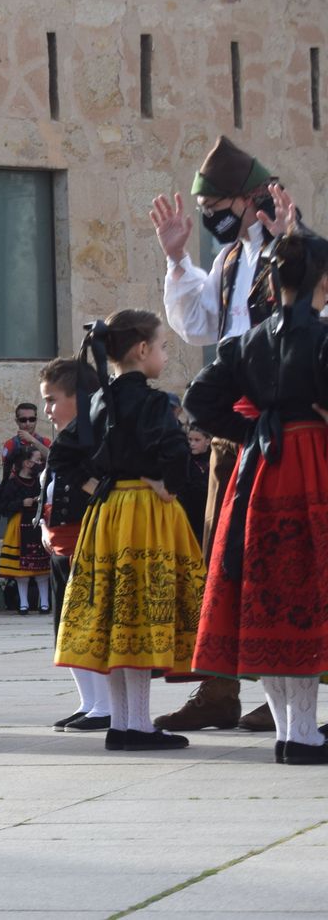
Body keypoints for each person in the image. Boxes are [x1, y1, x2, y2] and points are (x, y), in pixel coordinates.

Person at [151, 137, 296, 734]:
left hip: (286, 429)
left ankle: (288, 691)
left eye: (215, 201)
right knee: (222, 558)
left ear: (249, 195)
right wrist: (177, 260)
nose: (208, 212)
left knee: (283, 559)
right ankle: (219, 690)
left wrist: (291, 239)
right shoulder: (231, 258)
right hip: (232, 434)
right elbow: (198, 325)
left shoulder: (297, 251)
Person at [185, 226, 328, 764]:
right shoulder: (324, 337)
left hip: (260, 470)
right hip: (313, 465)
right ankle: (304, 733)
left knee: (266, 592)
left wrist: (249, 432)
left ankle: (289, 735)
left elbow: (199, 400)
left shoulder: (246, 342)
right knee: (308, 591)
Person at [53, 311, 204, 752]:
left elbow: (63, 457)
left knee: (120, 616)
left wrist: (96, 485)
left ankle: (123, 723)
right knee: (141, 612)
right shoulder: (156, 403)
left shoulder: (96, 401)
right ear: (141, 350)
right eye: (161, 346)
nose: (163, 354)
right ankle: (136, 725)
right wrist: (170, 485)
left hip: (107, 515)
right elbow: (176, 454)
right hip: (147, 513)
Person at [39, 357, 108, 733]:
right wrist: (42, 526)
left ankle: (106, 705)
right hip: (59, 544)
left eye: (52, 400)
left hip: (85, 541)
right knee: (65, 628)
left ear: (79, 399)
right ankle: (90, 702)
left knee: (88, 624)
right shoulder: (62, 442)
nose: (47, 409)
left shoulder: (93, 439)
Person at [0, 447, 50, 614]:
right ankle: (23, 603)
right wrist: (21, 503)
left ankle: (44, 602)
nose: (40, 464)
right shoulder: (12, 483)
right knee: (21, 570)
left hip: (38, 525)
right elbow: (2, 508)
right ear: (27, 463)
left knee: (42, 568)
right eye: (38, 460)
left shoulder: (40, 481)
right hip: (19, 526)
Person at [0, 403, 52, 480]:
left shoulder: (45, 442)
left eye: (32, 419)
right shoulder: (10, 444)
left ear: (36, 420)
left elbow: (52, 458)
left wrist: (33, 440)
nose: (28, 423)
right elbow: (7, 473)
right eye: (23, 420)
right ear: (17, 421)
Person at [179, 427, 212, 546]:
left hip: (207, 510)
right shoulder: (185, 459)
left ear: (207, 441)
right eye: (190, 439)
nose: (192, 444)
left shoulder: (214, 459)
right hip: (188, 511)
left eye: (197, 440)